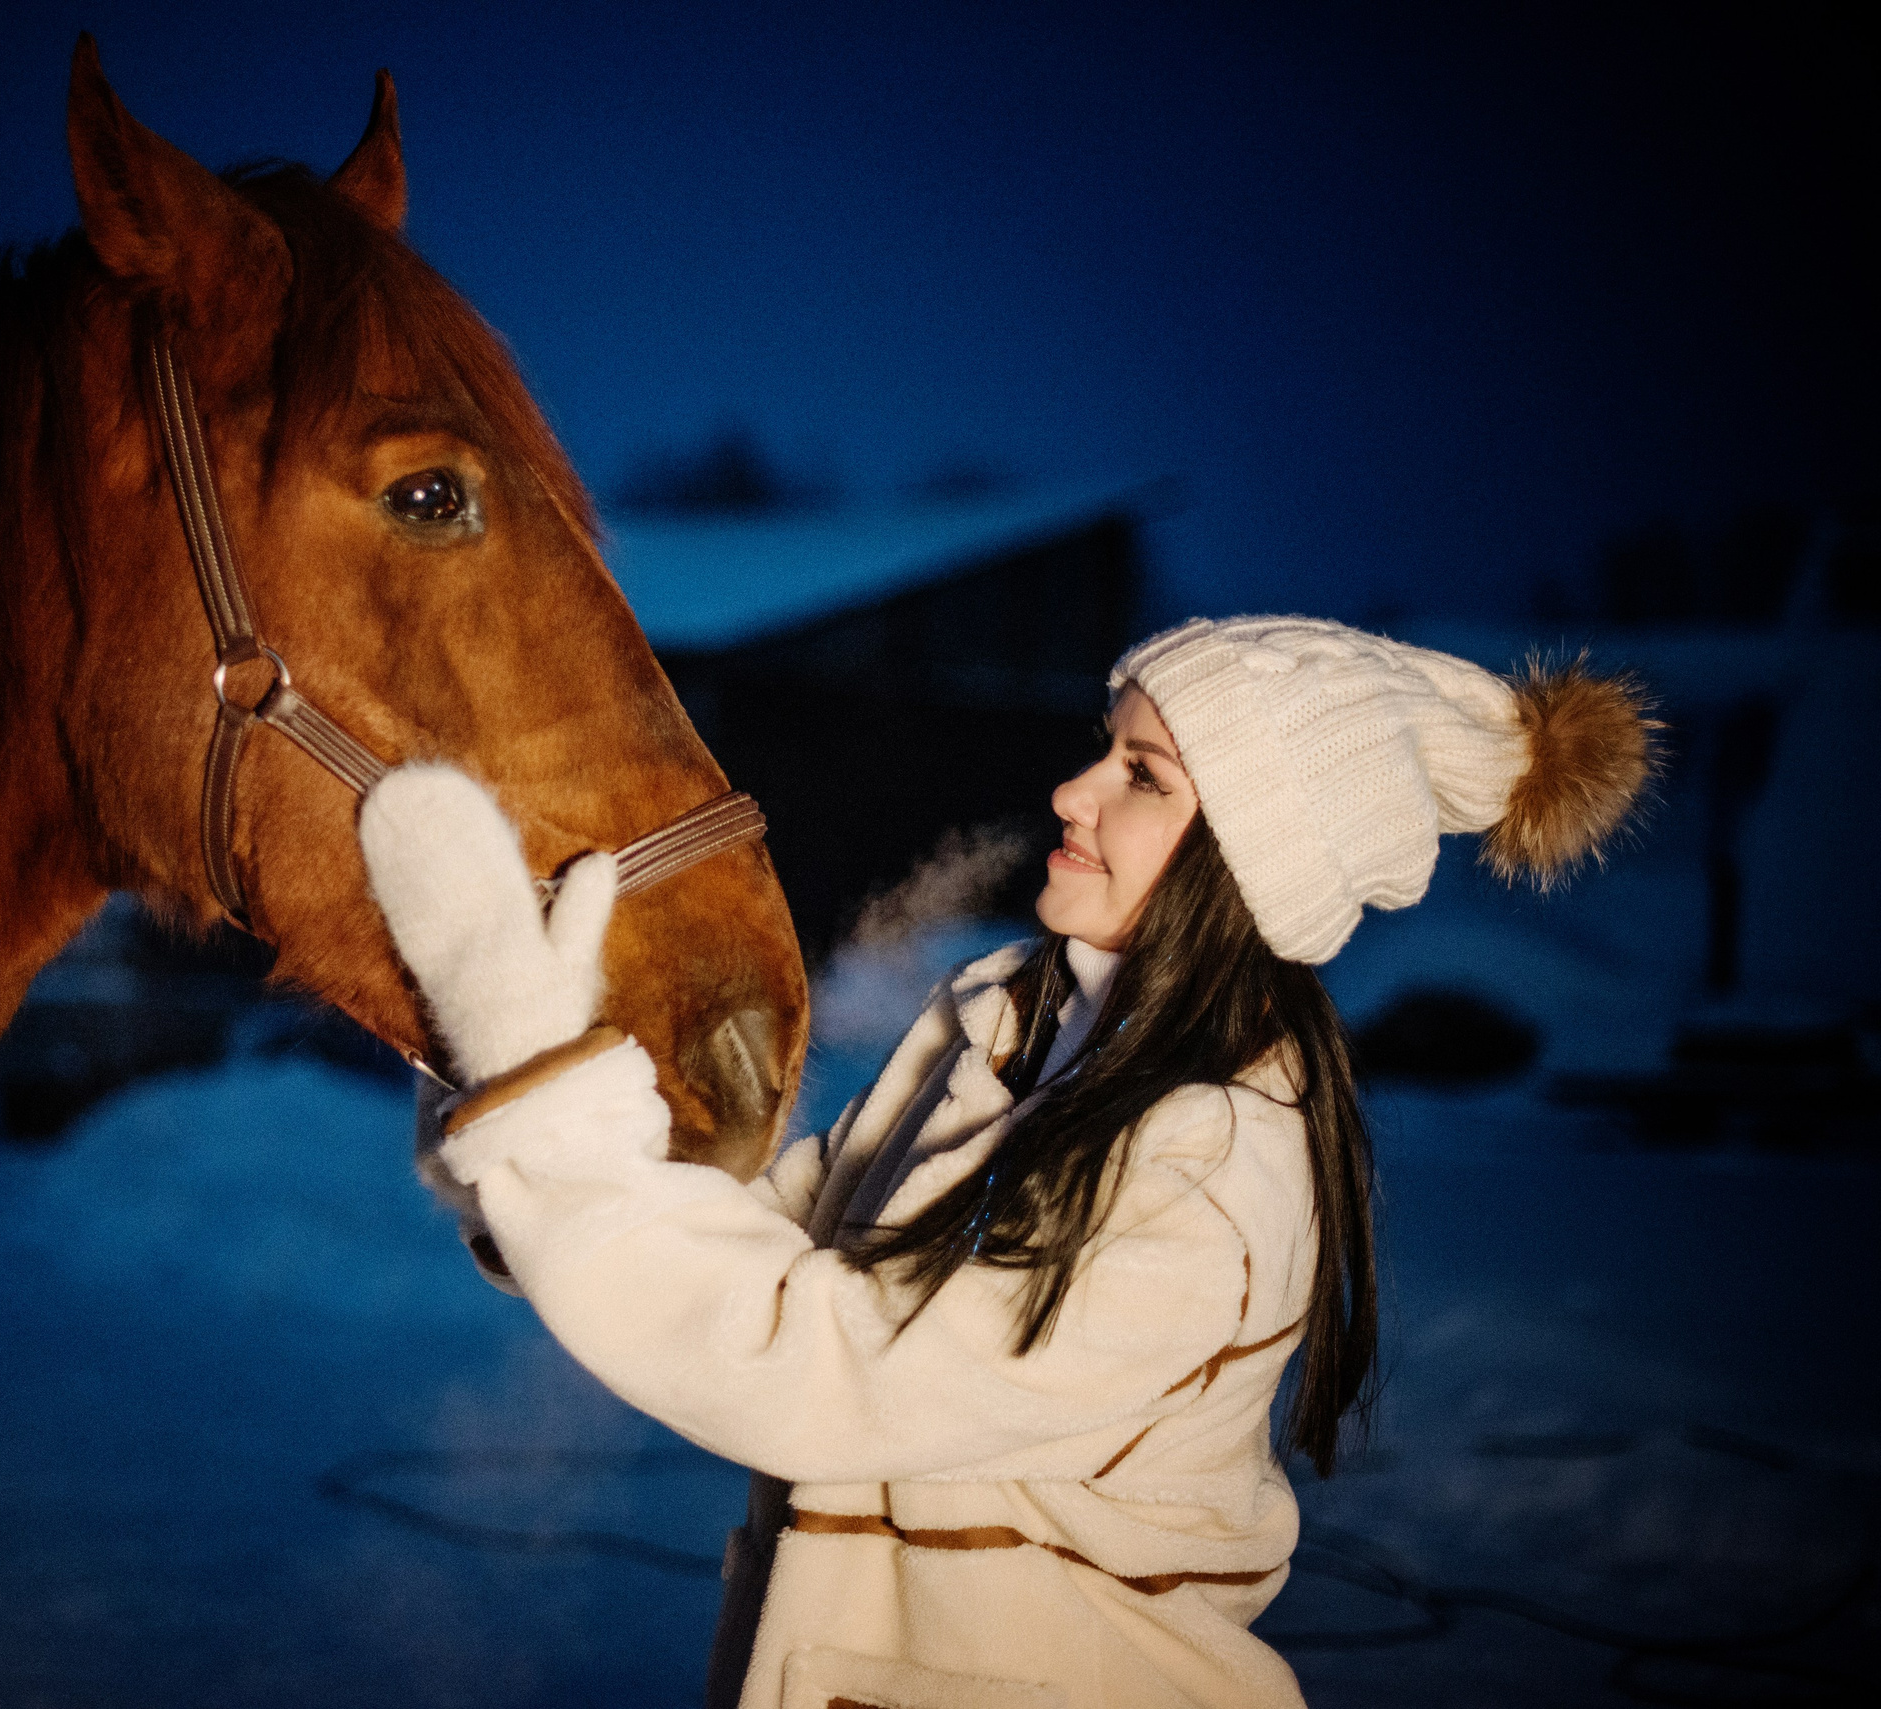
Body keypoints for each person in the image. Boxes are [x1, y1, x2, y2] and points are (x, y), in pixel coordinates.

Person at [358, 616, 1655, 1709]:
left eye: (1143, 774)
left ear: (1257, 858)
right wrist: (521, 1060)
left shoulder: (1217, 1169)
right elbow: (776, 1234)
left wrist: (552, 1119)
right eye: (1106, 749)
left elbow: (825, 1366)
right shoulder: (1005, 1018)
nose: (1074, 792)